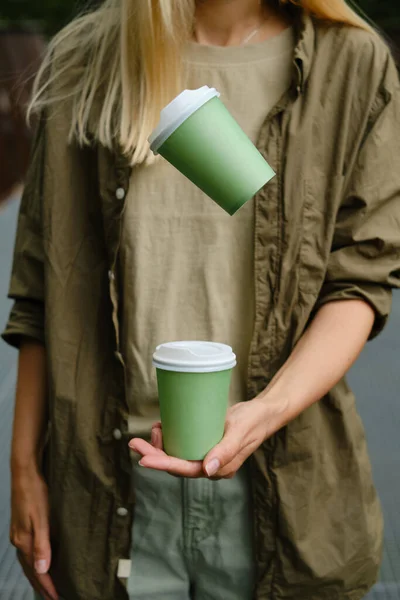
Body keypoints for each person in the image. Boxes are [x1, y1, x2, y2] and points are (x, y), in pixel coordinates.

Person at [3, 0, 400, 599]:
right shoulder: (87, 59)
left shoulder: (351, 63)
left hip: (284, 483)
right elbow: (41, 290)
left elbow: (359, 280)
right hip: (111, 483)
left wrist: (262, 415)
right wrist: (24, 468)